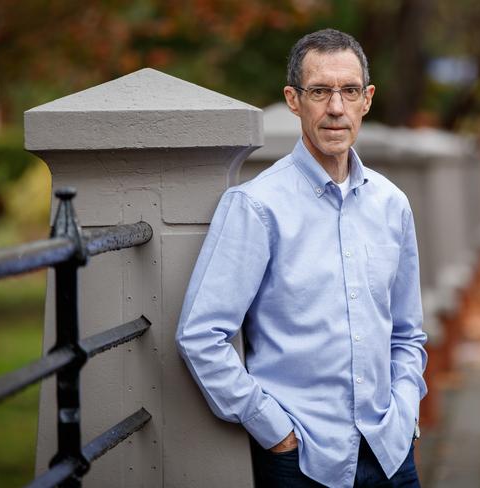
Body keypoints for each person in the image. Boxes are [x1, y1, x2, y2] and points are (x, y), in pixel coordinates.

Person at [176, 28, 427, 488]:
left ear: (367, 99)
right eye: (320, 92)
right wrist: (275, 431)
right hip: (304, 461)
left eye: (349, 91)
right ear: (294, 100)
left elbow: (408, 333)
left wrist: (405, 410)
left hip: (391, 454)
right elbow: (200, 335)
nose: (336, 108)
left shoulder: (393, 205)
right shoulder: (256, 206)